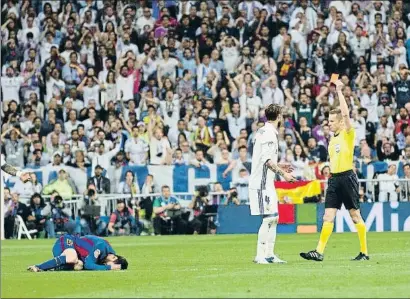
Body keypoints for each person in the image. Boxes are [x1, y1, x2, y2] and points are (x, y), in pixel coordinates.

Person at [300, 80, 369, 262]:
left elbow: (345, 113)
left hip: (347, 178)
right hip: (334, 179)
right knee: (328, 215)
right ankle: (319, 252)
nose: (328, 124)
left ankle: (364, 252)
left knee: (355, 216)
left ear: (340, 122)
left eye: (331, 121)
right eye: (328, 121)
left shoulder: (348, 134)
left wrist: (338, 90)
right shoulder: (332, 140)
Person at [249, 104, 296, 264]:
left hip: (267, 181)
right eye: (282, 115)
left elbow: (263, 158)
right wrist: (285, 174)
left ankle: (269, 254)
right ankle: (260, 255)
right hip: (262, 183)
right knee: (269, 218)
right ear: (278, 116)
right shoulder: (269, 133)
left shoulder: (263, 131)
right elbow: (267, 161)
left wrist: (281, 166)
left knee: (274, 218)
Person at [27, 234, 128, 272]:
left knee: (78, 265)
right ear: (114, 257)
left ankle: (55, 267)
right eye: (108, 264)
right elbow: (89, 265)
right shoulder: (102, 246)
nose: (106, 265)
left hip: (74, 252)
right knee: (72, 258)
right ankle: (38, 266)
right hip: (67, 241)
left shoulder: (106, 256)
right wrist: (110, 268)